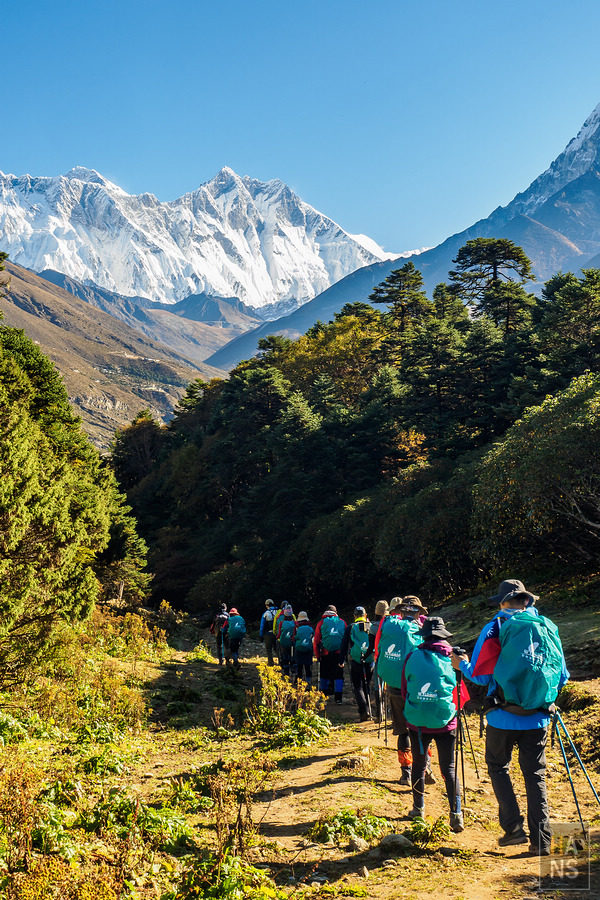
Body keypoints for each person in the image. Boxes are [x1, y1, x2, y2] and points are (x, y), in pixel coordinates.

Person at [452, 579, 569, 855]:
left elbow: (480, 676)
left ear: (503, 602)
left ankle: (513, 828)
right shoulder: (547, 626)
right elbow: (562, 675)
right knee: (535, 775)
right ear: (527, 601)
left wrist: (461, 664)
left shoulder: (496, 627)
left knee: (497, 766)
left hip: (502, 716)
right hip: (538, 716)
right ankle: (542, 841)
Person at [402, 616, 466, 834]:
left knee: (419, 766)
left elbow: (405, 690)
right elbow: (461, 691)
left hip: (418, 723)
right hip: (446, 722)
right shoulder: (454, 659)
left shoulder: (412, 656)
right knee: (449, 768)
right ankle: (456, 815)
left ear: (424, 636)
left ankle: (418, 809)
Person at [374, 596, 435, 785]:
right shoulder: (423, 630)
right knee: (421, 729)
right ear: (419, 612)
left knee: (402, 732)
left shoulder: (388, 625)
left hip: (394, 687)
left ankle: (406, 773)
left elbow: (378, 649)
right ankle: (425, 768)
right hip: (417, 688)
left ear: (400, 611)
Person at [340, 606, 374, 721]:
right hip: (369, 660)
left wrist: (341, 660)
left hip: (356, 660)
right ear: (365, 615)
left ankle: (364, 710)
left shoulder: (351, 627)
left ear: (354, 616)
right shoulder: (371, 626)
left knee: (358, 686)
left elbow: (344, 644)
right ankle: (369, 709)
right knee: (366, 686)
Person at [314, 605, 346, 703]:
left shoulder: (321, 623)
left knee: (324, 675)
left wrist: (317, 655)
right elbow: (346, 638)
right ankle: (338, 698)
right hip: (339, 653)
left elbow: (316, 641)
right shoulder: (342, 622)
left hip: (325, 653)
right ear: (336, 612)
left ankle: (324, 697)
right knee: (339, 676)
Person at [368, 599, 388, 722]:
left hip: (378, 658)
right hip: (391, 658)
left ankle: (380, 713)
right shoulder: (390, 624)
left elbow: (371, 646)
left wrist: (364, 657)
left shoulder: (374, 627)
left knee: (378, 684)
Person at [292, 611, 314, 687]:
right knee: (307, 666)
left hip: (299, 649)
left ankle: (299, 681)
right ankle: (308, 682)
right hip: (308, 648)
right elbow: (313, 638)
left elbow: (294, 638)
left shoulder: (297, 627)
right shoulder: (310, 627)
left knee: (299, 666)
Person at [277, 605, 296, 677]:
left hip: (283, 642)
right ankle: (294, 668)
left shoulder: (281, 623)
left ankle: (286, 673)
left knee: (284, 657)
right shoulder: (295, 623)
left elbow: (279, 634)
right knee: (292, 656)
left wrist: (277, 637)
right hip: (292, 642)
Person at [260, 600, 277, 666]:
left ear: (267, 605)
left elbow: (262, 625)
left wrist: (261, 635)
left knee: (269, 649)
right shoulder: (278, 612)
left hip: (268, 633)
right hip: (277, 634)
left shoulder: (266, 613)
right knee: (277, 648)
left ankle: (270, 662)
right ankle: (281, 661)